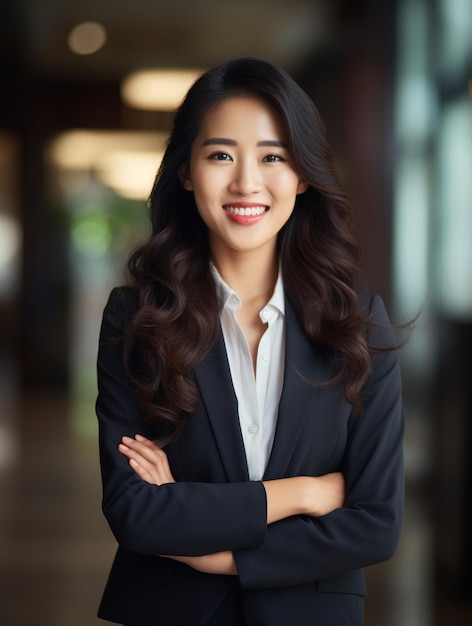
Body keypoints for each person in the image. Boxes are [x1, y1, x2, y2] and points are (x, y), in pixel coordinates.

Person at [96, 57, 404, 626]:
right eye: (220, 155)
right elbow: (136, 511)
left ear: (303, 174)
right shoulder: (136, 320)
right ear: (186, 171)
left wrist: (219, 556)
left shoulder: (359, 327)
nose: (245, 182)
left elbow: (376, 523)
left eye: (273, 156)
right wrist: (305, 494)